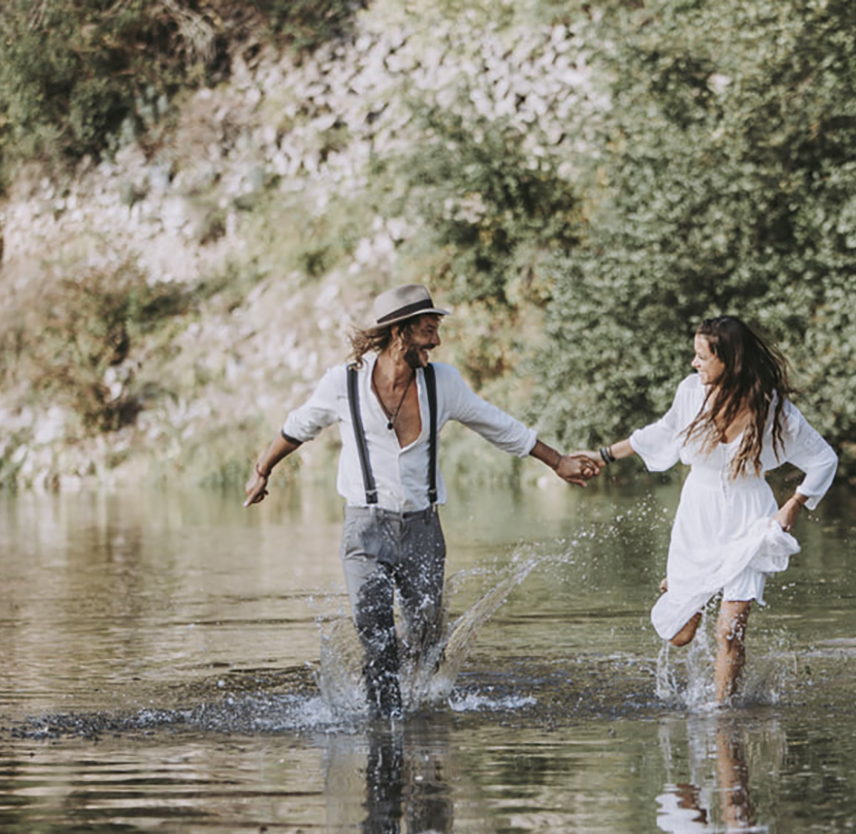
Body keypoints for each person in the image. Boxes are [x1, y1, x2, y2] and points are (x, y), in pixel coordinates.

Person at [243, 283, 596, 715]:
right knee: (375, 633)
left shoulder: (442, 383)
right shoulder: (344, 383)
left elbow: (496, 424)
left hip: (423, 531)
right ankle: (384, 729)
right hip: (365, 530)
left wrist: (557, 461)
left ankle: (415, 722)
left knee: (425, 642)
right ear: (400, 332)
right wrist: (263, 469)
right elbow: (298, 427)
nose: (436, 341)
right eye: (428, 331)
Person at [580, 316, 838, 704]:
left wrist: (793, 505)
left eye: (701, 356)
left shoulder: (773, 408)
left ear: (729, 359)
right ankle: (691, 587)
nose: (693, 363)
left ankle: (722, 716)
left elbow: (824, 459)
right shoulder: (691, 392)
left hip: (750, 518)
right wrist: (603, 455)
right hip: (698, 515)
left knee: (729, 631)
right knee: (679, 634)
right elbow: (663, 432)